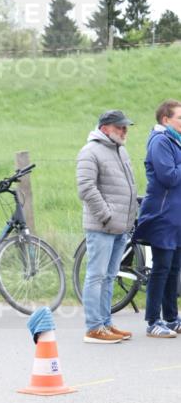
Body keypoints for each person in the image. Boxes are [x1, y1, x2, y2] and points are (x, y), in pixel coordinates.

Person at [76, 109, 138, 343]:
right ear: (105, 128)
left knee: (110, 276)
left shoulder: (120, 150)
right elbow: (86, 188)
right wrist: (106, 215)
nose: (124, 131)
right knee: (97, 276)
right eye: (119, 127)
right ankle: (93, 328)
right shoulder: (90, 151)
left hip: (120, 227)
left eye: (125, 127)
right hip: (102, 226)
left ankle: (106, 323)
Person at [131, 99, 181, 338]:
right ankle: (153, 321)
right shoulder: (160, 141)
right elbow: (168, 176)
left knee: (174, 269)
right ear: (165, 119)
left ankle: (171, 318)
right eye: (180, 118)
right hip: (162, 214)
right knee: (161, 268)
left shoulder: (175, 141)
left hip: (176, 216)